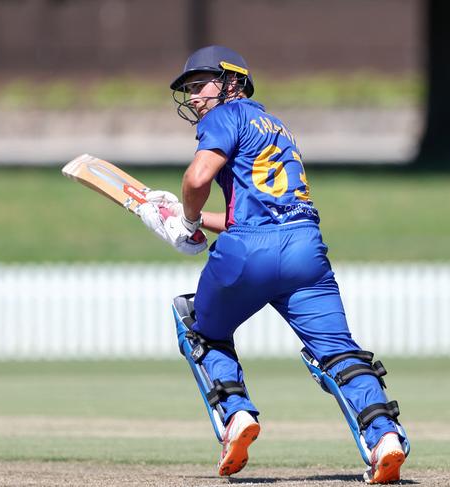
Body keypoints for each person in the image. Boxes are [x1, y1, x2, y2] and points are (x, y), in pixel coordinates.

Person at [138, 45, 409, 484]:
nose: (193, 97)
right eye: (188, 89)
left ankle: (236, 416)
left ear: (232, 82)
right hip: (305, 250)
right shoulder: (278, 128)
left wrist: (185, 220)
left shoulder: (226, 116)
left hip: (249, 252)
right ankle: (385, 438)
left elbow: (197, 178)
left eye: (199, 84)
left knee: (198, 324)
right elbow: (253, 212)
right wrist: (184, 217)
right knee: (339, 352)